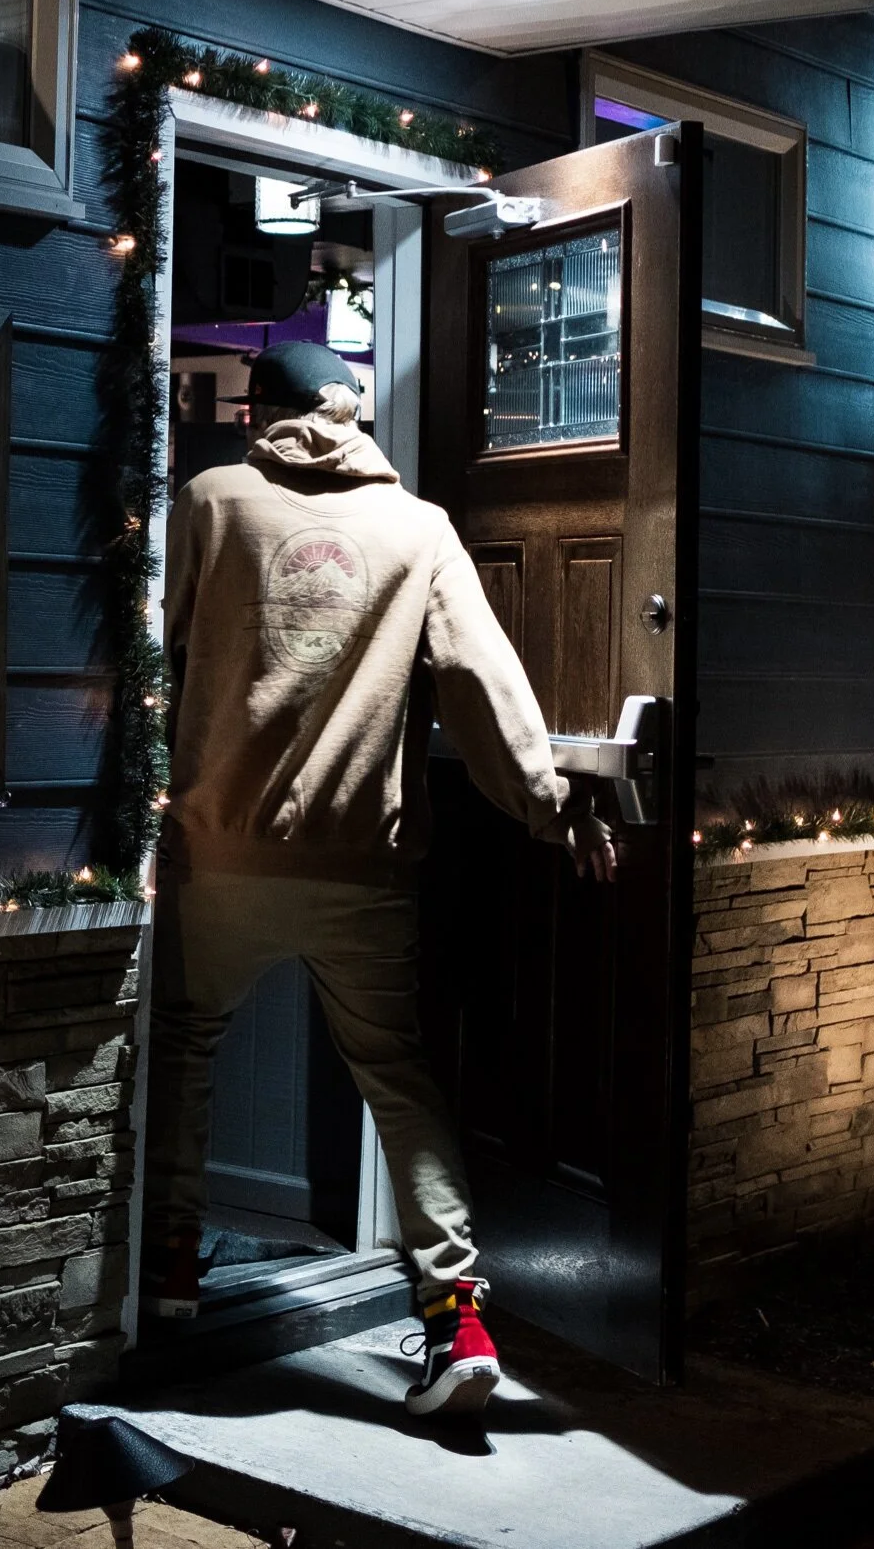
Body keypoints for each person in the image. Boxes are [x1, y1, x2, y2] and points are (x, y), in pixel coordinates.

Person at [147, 339, 615, 1418]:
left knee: (184, 1046)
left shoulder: (210, 503)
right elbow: (486, 687)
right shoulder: (421, 529)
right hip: (362, 867)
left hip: (222, 852)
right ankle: (457, 1317)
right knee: (395, 1077)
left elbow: (140, 653)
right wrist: (549, 808)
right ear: (352, 413)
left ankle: (170, 1261)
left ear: (260, 410)